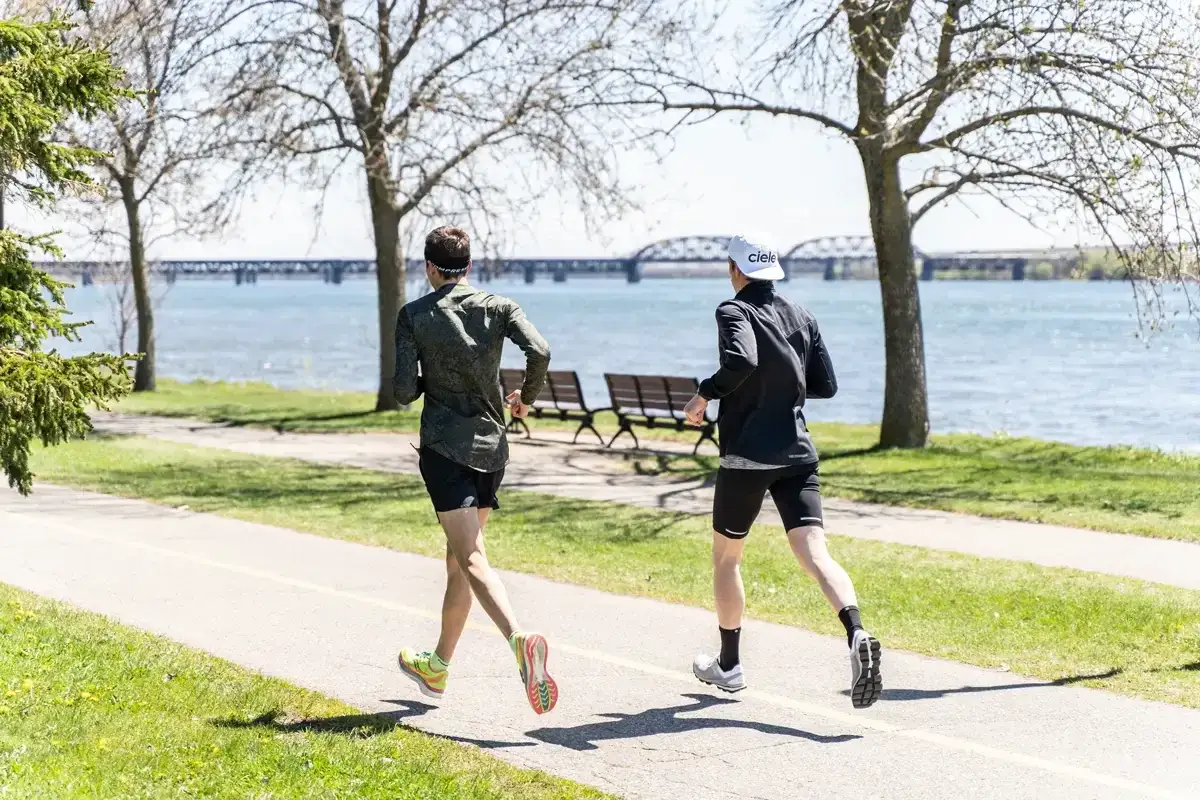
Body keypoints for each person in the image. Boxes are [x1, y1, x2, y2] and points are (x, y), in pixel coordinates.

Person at [684, 233, 882, 709]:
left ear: (737, 270)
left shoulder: (733, 311)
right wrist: (780, 394)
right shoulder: (801, 314)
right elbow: (826, 385)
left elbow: (742, 360)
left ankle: (729, 665)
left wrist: (707, 393)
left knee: (727, 558)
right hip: (798, 454)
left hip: (748, 456)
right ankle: (856, 631)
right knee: (815, 552)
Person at [391, 225, 558, 715]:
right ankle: (438, 665)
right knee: (458, 559)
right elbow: (540, 351)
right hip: (493, 449)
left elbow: (403, 391)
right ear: (468, 267)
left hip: (445, 448)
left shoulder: (414, 316)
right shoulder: (500, 306)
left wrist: (426, 379)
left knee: (471, 557)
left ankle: (519, 640)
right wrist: (525, 398)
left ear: (428, 266)